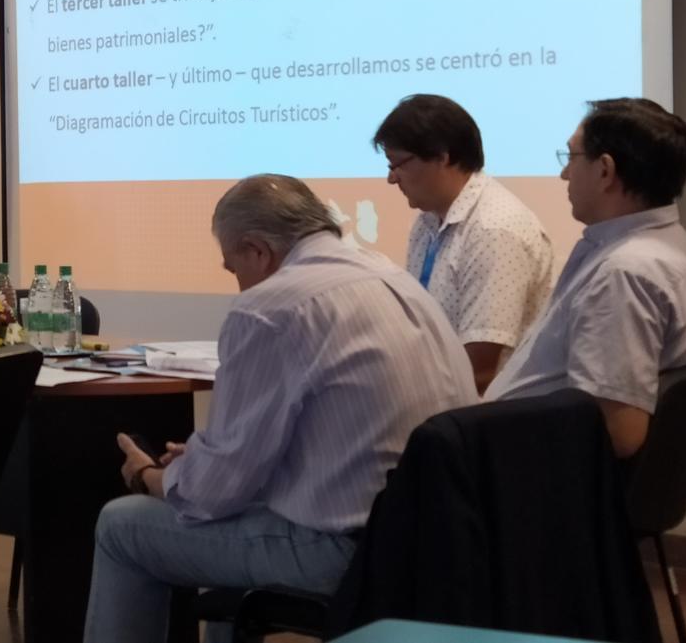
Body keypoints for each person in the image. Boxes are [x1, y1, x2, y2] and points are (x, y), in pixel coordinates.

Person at [83, 175, 477, 643]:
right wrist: (207, 462)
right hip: (437, 543)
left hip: (345, 555)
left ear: (257, 250)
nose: (237, 284)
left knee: (123, 524)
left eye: (233, 268)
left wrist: (150, 477)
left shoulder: (270, 307)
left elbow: (212, 494)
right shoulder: (394, 278)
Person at [485, 98, 686, 458]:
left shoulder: (624, 272)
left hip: (532, 472)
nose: (564, 174)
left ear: (605, 171)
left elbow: (618, 433)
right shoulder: (661, 244)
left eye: (571, 157)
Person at [373, 94, 553, 392]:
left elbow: (481, 370)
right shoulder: (428, 220)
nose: (391, 179)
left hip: (489, 411)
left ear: (441, 157)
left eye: (397, 164)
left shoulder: (494, 230)